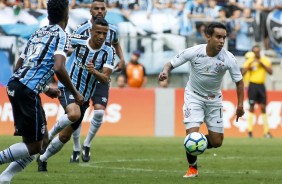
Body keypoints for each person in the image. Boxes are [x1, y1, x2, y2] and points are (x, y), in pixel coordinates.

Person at [0, 0, 84, 183]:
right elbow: (59, 68)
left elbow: (18, 66)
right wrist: (75, 93)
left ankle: (5, 178)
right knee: (35, 146)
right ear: (66, 15)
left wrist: (45, 87)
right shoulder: (62, 35)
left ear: (48, 15)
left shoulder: (37, 33)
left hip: (17, 85)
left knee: (42, 141)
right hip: (27, 90)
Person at [158, 22, 245, 178]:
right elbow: (169, 64)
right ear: (208, 36)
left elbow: (239, 82)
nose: (221, 41)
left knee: (217, 142)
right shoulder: (194, 52)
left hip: (214, 100)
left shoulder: (228, 58)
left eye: (224, 38)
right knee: (192, 134)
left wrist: (240, 105)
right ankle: (192, 168)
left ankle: (196, 143)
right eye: (218, 37)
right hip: (194, 96)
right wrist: (165, 72)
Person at [37, 18, 115, 171]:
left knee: (65, 136)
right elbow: (61, 45)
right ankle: (48, 136)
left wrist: (94, 72)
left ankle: (43, 158)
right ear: (91, 31)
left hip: (84, 97)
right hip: (69, 87)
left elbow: (105, 78)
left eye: (104, 34)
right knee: (74, 114)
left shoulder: (108, 51)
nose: (101, 36)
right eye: (98, 32)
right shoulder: (78, 40)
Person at [69, 0, 125, 163]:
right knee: (77, 115)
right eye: (96, 8)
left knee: (99, 111)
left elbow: (116, 44)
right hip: (82, 77)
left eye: (102, 8)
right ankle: (76, 147)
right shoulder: (81, 29)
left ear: (106, 11)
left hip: (101, 76)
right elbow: (70, 46)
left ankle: (87, 145)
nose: (99, 11)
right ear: (90, 11)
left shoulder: (112, 29)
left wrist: (122, 59)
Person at [241, 45, 273, 138]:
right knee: (251, 107)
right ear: (253, 52)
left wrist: (261, 64)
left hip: (261, 86)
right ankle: (250, 131)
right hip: (252, 86)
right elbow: (242, 73)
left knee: (263, 107)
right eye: (255, 52)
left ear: (260, 51)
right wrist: (249, 67)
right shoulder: (249, 61)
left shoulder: (264, 60)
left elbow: (271, 72)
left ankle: (266, 132)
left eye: (258, 51)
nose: (257, 53)